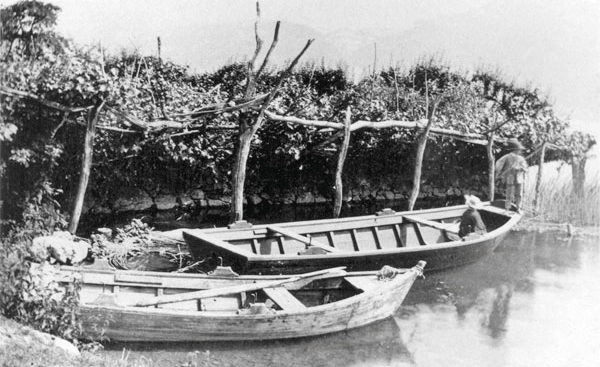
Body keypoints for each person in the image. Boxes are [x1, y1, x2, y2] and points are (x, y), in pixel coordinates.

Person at [495, 138, 528, 212]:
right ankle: (507, 208)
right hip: (510, 177)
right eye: (519, 149)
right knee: (509, 194)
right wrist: (500, 172)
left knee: (519, 194)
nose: (520, 151)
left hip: (519, 178)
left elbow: (526, 169)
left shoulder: (521, 158)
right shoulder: (507, 157)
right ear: (515, 149)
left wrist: (521, 168)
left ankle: (518, 208)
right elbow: (498, 164)